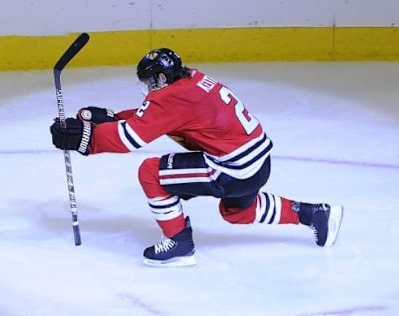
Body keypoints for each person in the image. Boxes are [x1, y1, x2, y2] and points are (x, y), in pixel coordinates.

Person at [50, 48, 344, 267]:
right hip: (257, 164)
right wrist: (113, 118)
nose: (148, 89)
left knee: (151, 172)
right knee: (237, 212)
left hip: (231, 170)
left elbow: (131, 138)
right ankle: (313, 213)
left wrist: (85, 139)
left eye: (150, 82)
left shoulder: (170, 97)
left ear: (162, 77)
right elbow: (162, 118)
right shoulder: (193, 80)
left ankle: (179, 243)